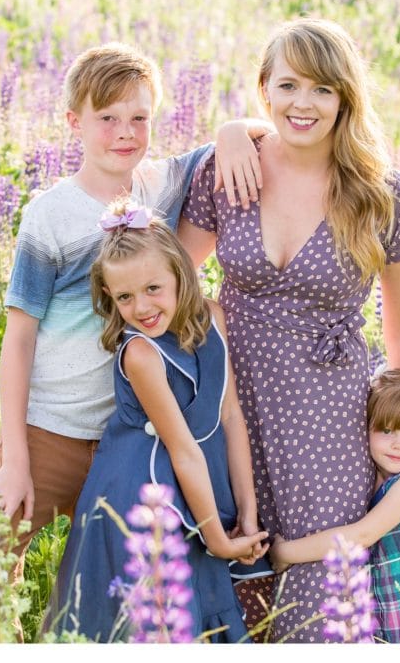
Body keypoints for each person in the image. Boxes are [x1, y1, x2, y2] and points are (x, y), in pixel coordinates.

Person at [0, 42, 268, 642]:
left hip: (129, 441)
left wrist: (229, 127)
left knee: (128, 593)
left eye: (140, 119)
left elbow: (245, 137)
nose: (125, 133)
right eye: (107, 118)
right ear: (74, 122)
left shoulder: (162, 182)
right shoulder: (50, 215)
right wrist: (15, 458)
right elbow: (18, 341)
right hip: (52, 431)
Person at [178, 17, 400, 641]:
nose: (303, 103)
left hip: (329, 426)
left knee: (319, 607)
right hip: (228, 412)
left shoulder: (385, 196)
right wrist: (230, 130)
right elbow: (175, 283)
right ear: (264, 88)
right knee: (222, 599)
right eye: (289, 85)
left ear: (346, 97)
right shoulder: (228, 167)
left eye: (322, 88)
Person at [42, 200, 269, 642]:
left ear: (180, 276)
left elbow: (230, 414)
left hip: (200, 486)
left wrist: (247, 510)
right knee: (151, 621)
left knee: (195, 613)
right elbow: (183, 451)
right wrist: (219, 541)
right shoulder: (141, 353)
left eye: (152, 288)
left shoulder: (214, 317)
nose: (141, 307)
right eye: (124, 297)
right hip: (143, 497)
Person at [269, 370, 400, 643]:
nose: (399, 444)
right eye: (387, 430)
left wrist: (285, 552)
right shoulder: (372, 478)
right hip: (389, 619)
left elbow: (362, 536)